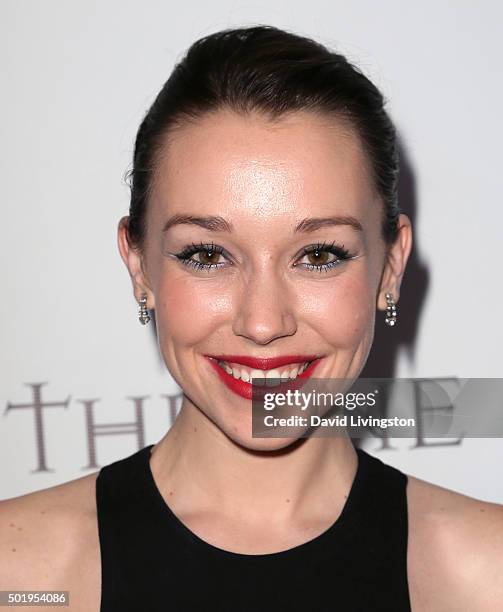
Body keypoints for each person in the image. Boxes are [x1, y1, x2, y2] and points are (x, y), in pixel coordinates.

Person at [1, 24, 502, 612]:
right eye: (207, 255)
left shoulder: (488, 576)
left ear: (391, 266)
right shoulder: (22, 578)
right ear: (139, 266)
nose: (263, 323)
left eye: (318, 255)